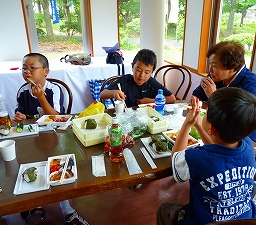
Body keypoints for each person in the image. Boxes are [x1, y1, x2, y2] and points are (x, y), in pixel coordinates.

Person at [157, 87, 256, 225]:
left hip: (205, 222)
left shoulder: (197, 158)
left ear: (212, 128)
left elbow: (176, 160)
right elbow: (216, 148)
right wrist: (200, 127)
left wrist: (187, 124)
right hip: (244, 219)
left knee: (164, 209)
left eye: (206, 112)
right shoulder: (248, 146)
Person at [13, 53, 88, 225]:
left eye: (32, 68)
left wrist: (41, 97)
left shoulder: (54, 89)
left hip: (57, 134)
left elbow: (56, 117)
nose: (27, 72)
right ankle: (36, 202)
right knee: (29, 162)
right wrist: (20, 116)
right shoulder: (23, 91)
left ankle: (67, 209)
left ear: (46, 71)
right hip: (33, 136)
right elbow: (24, 115)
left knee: (59, 165)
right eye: (24, 68)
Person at [192, 41, 256, 147]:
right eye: (210, 64)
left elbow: (236, 119)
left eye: (214, 66)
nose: (210, 70)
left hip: (243, 138)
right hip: (219, 127)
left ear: (232, 68)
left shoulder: (251, 85)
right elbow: (196, 96)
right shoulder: (217, 76)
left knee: (194, 149)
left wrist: (214, 96)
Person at [100, 48, 176, 107]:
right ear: (132, 66)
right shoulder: (124, 81)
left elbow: (172, 98)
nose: (141, 75)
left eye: (147, 72)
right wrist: (114, 92)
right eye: (138, 70)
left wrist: (150, 101)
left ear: (152, 72)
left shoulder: (152, 83)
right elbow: (102, 94)